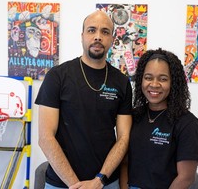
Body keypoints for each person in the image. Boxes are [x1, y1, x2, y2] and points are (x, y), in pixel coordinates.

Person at [35, 10, 133, 189]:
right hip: (62, 183)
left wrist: (99, 180)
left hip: (106, 182)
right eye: (91, 30)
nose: (97, 37)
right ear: (82, 36)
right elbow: (45, 137)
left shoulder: (122, 82)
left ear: (112, 39)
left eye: (104, 32)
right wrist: (75, 185)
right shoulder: (57, 76)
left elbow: (124, 138)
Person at [120, 48, 198, 189]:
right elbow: (124, 163)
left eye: (163, 79)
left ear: (173, 82)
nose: (154, 84)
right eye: (148, 77)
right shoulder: (134, 116)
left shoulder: (187, 123)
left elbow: (186, 178)